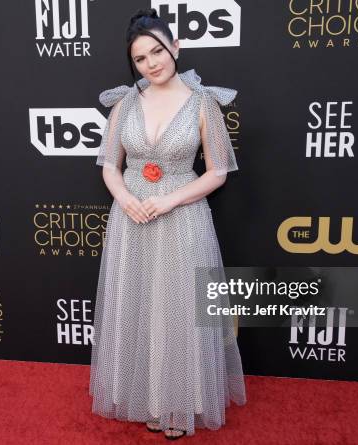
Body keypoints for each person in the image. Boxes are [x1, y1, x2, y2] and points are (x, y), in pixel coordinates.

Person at [89, 8, 247, 440]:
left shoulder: (203, 103)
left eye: (157, 51)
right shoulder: (124, 103)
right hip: (131, 220)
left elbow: (217, 171)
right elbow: (109, 166)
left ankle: (179, 404)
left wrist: (168, 200)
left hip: (182, 218)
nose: (151, 63)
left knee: (178, 312)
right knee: (140, 308)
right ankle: (149, 400)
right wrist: (127, 200)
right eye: (141, 59)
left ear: (175, 48)